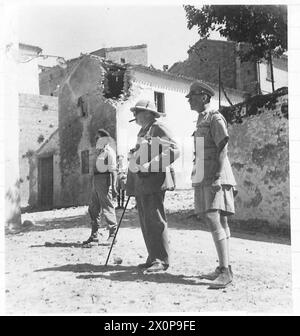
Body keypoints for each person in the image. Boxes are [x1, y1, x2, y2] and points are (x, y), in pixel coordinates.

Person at [186, 80, 237, 289]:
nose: (189, 101)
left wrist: (216, 177)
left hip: (216, 176)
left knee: (215, 220)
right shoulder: (201, 120)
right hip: (205, 176)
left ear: (204, 97)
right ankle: (224, 267)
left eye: (193, 97)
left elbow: (222, 148)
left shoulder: (215, 118)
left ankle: (225, 272)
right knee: (218, 222)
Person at [128, 99, 180, 273]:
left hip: (154, 180)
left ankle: (161, 260)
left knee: (155, 219)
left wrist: (151, 165)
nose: (134, 115)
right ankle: (153, 256)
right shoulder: (144, 131)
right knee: (145, 220)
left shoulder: (158, 127)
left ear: (149, 113)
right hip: (142, 182)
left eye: (138, 112)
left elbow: (173, 150)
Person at [82, 129, 118, 247]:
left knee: (107, 208)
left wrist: (114, 186)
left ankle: (113, 235)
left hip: (105, 181)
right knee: (93, 208)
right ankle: (94, 235)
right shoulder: (99, 152)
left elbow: (113, 170)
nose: (96, 140)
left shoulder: (109, 152)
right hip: (96, 181)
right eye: (96, 138)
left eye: (99, 138)